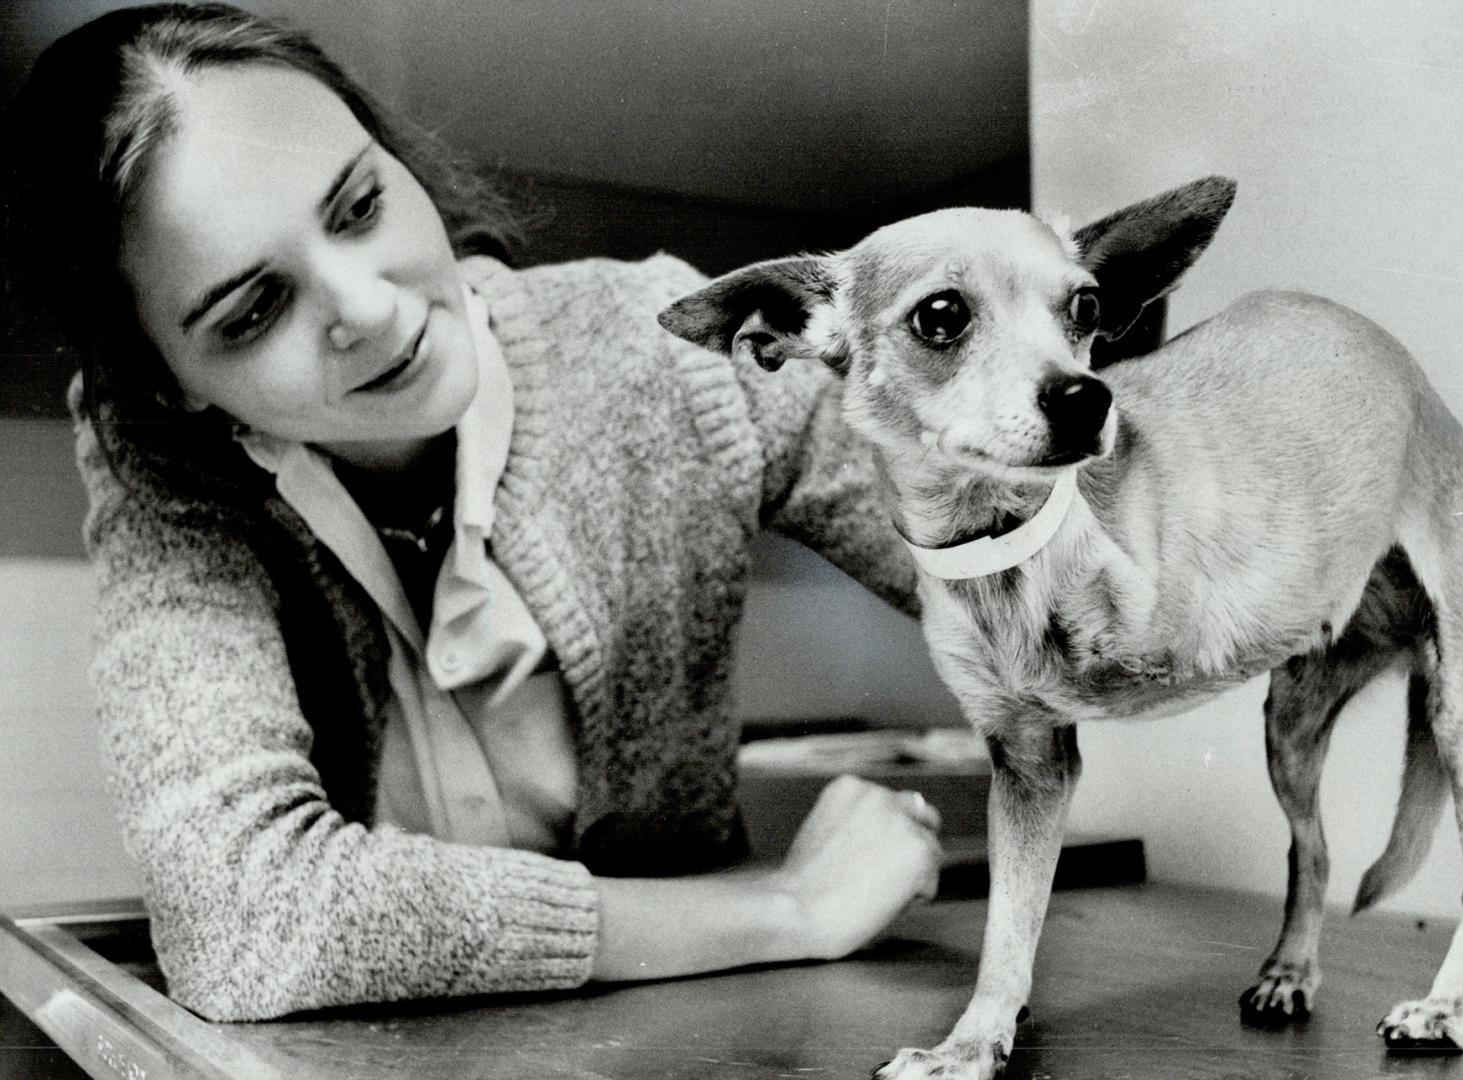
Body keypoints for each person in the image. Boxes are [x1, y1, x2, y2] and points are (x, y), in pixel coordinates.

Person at [1, 3, 942, 1022]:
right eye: (254, 310)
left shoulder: (667, 347)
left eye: (357, 206)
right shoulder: (166, 466)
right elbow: (240, 919)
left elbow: (1053, 586)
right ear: (167, 379)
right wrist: (789, 910)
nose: (367, 307)